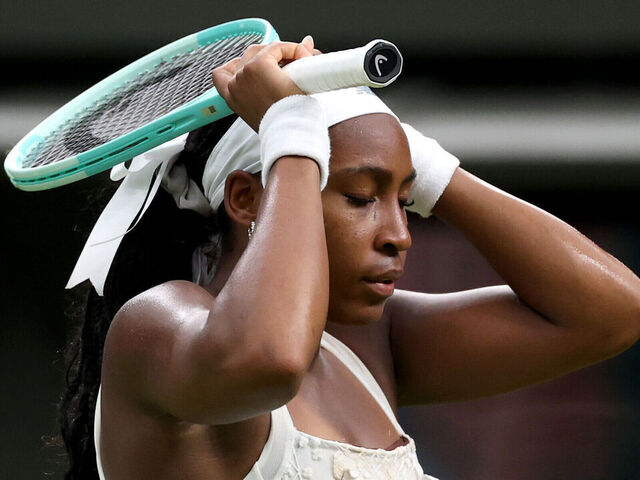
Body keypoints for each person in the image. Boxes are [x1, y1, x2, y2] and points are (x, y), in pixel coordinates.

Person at [56, 36, 640, 480]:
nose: (400, 235)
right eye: (362, 197)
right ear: (245, 197)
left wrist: (424, 163)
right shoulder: (158, 325)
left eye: (407, 201)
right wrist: (290, 131)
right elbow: (270, 361)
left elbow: (613, 313)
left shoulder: (371, 348)